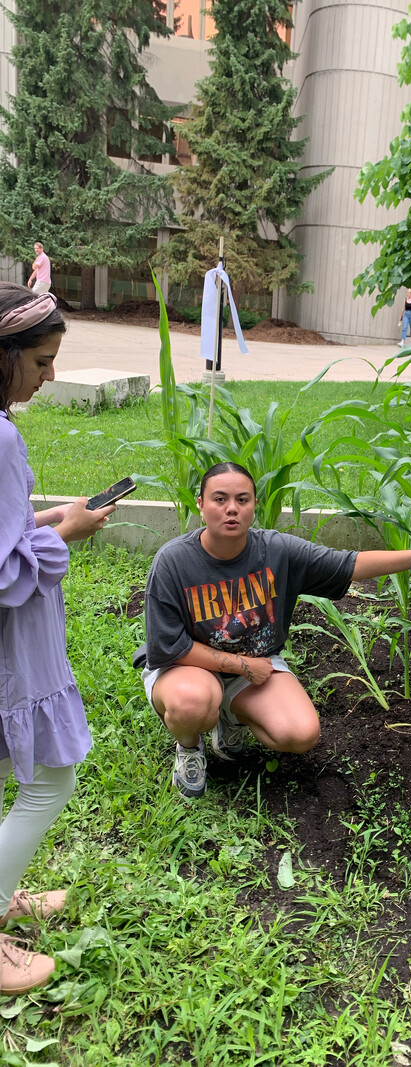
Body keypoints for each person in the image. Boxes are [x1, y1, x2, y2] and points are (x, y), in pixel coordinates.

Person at [136, 461, 411, 798]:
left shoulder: (276, 550)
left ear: (255, 505)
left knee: (301, 733)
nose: (231, 509)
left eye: (242, 500)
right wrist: (241, 665)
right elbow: (169, 646)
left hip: (253, 667)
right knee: (193, 702)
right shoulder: (173, 562)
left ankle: (231, 717)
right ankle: (190, 748)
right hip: (189, 668)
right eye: (219, 499)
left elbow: (348, 564)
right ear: (200, 503)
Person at [0, 284, 115, 995]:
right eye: (40, 361)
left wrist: (44, 518)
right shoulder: (2, 436)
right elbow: (7, 570)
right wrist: (65, 532)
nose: (49, 375)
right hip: (14, 642)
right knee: (50, 777)